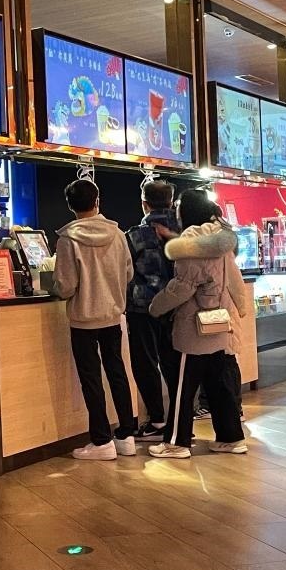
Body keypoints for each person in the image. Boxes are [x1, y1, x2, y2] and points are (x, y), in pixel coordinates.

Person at [148, 188, 249, 459]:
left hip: (194, 326)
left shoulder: (192, 241)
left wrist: (156, 306)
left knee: (183, 387)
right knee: (219, 385)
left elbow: (183, 286)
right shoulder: (220, 237)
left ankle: (176, 443)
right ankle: (231, 438)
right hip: (219, 321)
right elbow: (233, 278)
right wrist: (241, 308)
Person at [53, 179, 137, 460]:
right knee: (118, 373)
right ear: (97, 200)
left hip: (83, 321)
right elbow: (128, 273)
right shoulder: (118, 234)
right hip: (112, 316)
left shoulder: (68, 239)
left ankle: (102, 441)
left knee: (91, 380)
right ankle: (126, 435)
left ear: (70, 205)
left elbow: (65, 286)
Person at [125, 179, 180, 442]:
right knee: (175, 363)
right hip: (175, 305)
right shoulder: (185, 230)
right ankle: (180, 418)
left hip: (142, 307)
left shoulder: (135, 234)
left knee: (146, 363)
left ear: (144, 203)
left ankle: (157, 420)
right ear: (171, 201)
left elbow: (125, 271)